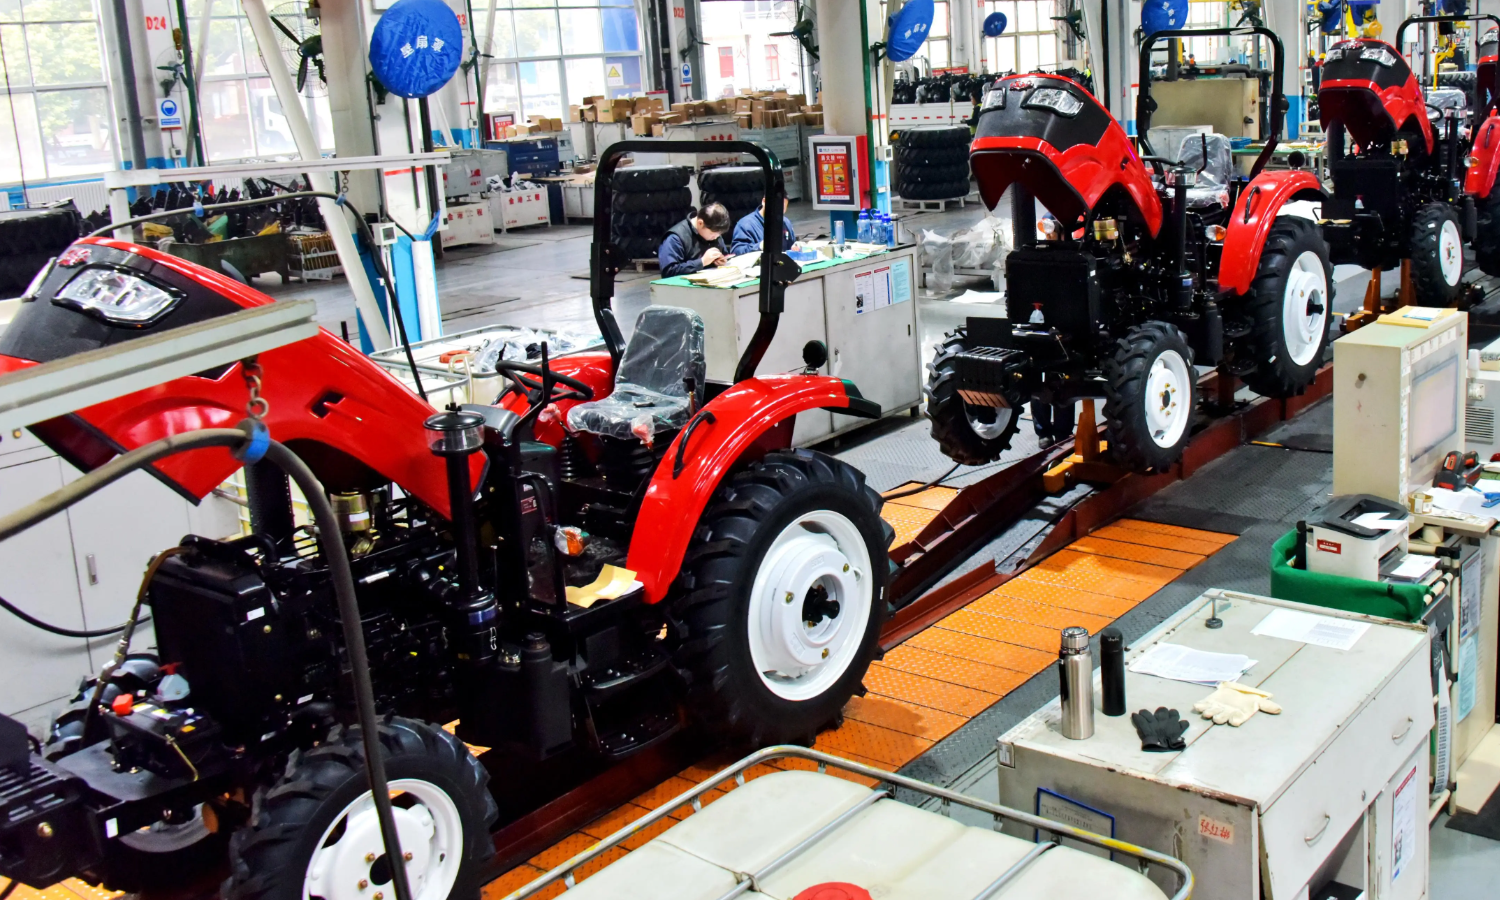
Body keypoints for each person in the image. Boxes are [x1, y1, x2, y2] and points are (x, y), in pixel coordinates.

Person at [659, 204, 732, 277]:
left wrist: (720, 260)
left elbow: (725, 255)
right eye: (712, 234)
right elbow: (669, 271)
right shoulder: (675, 238)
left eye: (719, 235)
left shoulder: (714, 231)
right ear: (700, 223)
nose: (716, 237)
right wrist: (702, 262)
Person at [730, 196, 797, 256]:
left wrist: (797, 246)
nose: (778, 212)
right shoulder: (745, 225)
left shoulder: (785, 222)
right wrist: (760, 246)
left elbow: (791, 245)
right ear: (764, 201)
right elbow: (736, 252)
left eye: (782, 209)